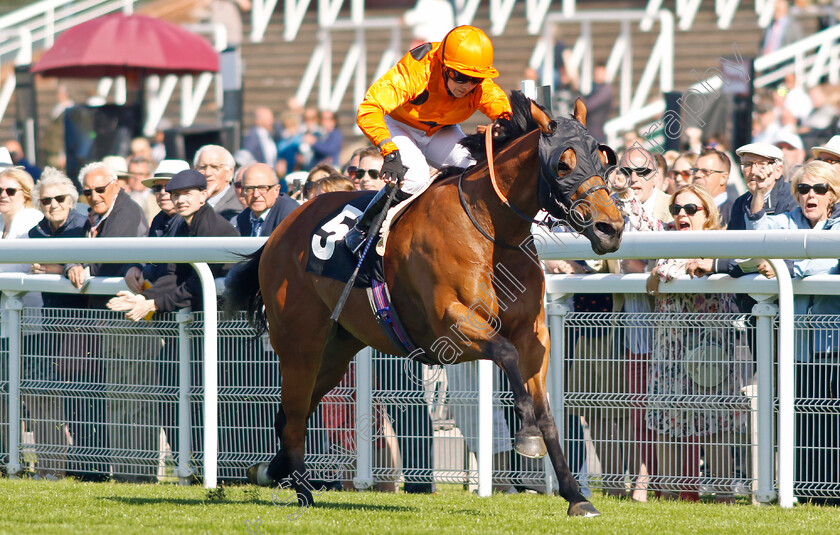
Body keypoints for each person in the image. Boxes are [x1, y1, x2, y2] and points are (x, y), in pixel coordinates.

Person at [622, 182, 743, 503]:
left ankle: (724, 498)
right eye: (676, 209)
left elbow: (737, 268)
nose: (682, 215)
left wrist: (678, 271)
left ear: (707, 213)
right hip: (669, 350)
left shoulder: (720, 242)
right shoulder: (666, 241)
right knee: (666, 423)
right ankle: (670, 495)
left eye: (691, 209)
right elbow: (652, 284)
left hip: (710, 353)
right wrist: (662, 274)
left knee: (714, 427)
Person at [346, 25, 512, 254]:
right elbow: (369, 108)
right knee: (415, 176)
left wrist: (502, 125)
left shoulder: (478, 87)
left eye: (476, 79)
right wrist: (388, 149)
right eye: (462, 78)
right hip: (399, 126)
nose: (468, 86)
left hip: (440, 129)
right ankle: (364, 226)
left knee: (476, 170)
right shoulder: (416, 71)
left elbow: (505, 111)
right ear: (444, 67)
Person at [743, 160, 840, 505]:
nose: (809, 195)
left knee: (833, 424)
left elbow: (826, 260)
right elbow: (758, 242)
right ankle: (806, 494)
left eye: (819, 189)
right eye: (802, 189)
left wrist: (783, 265)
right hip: (798, 344)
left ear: (834, 194)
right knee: (803, 424)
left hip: (834, 344)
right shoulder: (789, 221)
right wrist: (758, 195)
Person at [64, 161, 152, 482]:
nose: (94, 196)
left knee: (130, 401)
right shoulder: (95, 214)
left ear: (116, 185)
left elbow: (110, 258)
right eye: (88, 192)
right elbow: (76, 246)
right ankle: (115, 470)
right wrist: (74, 261)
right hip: (103, 321)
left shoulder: (126, 210)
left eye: (100, 189)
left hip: (126, 319)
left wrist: (82, 267)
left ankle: (137, 475)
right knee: (111, 400)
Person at [27, 167, 88, 480]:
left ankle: (86, 467)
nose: (53, 204)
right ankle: (53, 465)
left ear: (71, 200)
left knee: (82, 401)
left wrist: (64, 267)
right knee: (49, 397)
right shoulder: (35, 232)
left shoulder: (84, 225)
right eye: (46, 200)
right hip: (50, 326)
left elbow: (91, 265)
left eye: (59, 198)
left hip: (84, 325)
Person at [232, 163, 299, 237]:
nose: (256, 195)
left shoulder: (290, 214)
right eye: (249, 188)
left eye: (263, 188)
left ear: (276, 190)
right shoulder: (242, 218)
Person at [194, 144, 242, 220]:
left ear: (229, 172)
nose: (208, 173)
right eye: (202, 167)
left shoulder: (238, 205)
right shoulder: (190, 200)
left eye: (215, 167)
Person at [690, 148, 735, 227]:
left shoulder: (734, 214)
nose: (697, 175)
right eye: (695, 170)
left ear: (723, 178)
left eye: (705, 171)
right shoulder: (684, 210)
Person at [582, 65, 612, 143]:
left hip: (597, 136)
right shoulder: (594, 89)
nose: (597, 75)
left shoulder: (606, 90)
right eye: (596, 73)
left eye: (599, 73)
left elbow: (588, 106)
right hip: (588, 134)